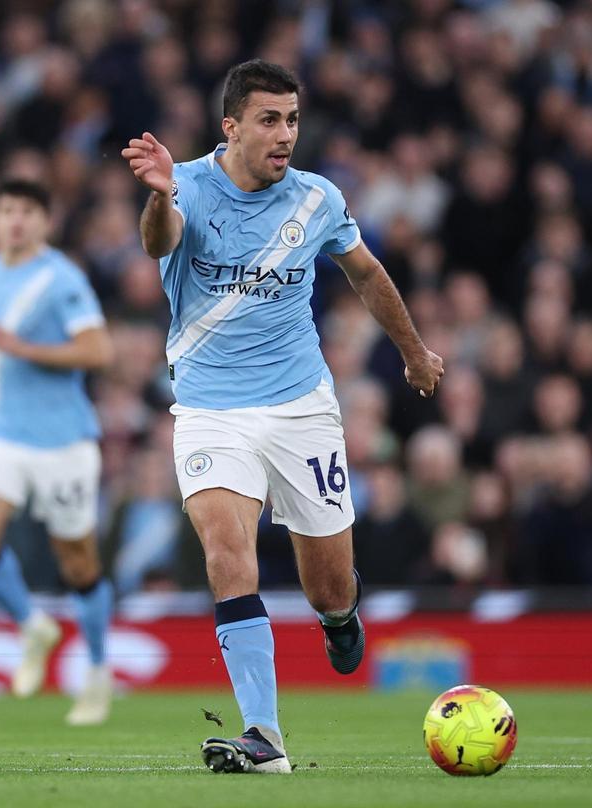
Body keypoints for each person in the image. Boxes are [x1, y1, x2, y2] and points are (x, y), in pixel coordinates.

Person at [123, 60, 444, 774]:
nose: (286, 135)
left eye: (293, 120)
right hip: (211, 409)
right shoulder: (187, 187)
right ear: (230, 126)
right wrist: (155, 196)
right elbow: (159, 241)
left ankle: (339, 616)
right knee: (225, 553)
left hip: (302, 408)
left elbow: (365, 271)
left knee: (327, 584)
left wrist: (414, 352)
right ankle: (263, 735)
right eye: (270, 120)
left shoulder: (316, 199)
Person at [0, 179, 116, 725]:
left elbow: (98, 350)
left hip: (62, 440)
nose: (15, 221)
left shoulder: (62, 279)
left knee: (79, 564)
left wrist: (27, 351)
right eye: (6, 210)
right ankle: (31, 624)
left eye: (27, 211)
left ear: (46, 221)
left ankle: (95, 672)